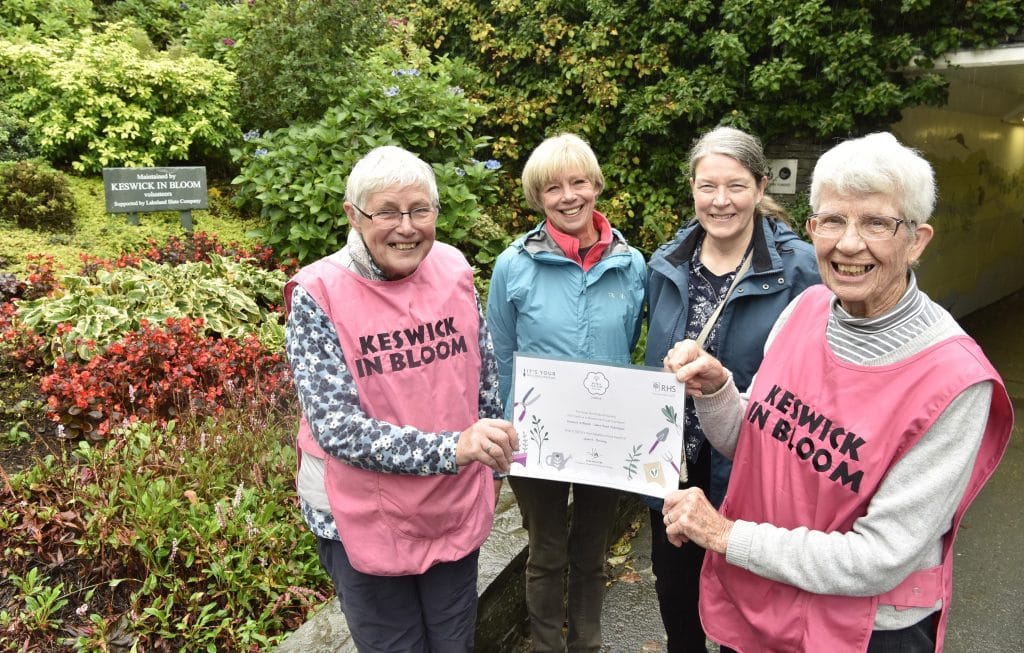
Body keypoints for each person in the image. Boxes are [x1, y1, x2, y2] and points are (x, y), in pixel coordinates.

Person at [661, 132, 1013, 652]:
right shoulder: (804, 310)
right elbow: (755, 445)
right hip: (764, 602)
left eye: (876, 223)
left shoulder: (954, 382)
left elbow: (878, 557)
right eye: (832, 220)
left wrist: (726, 536)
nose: (849, 244)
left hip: (865, 632)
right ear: (812, 229)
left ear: (917, 240)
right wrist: (717, 390)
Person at [283, 145, 519, 653]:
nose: (407, 227)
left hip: (451, 503)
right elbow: (337, 428)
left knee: (454, 641)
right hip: (362, 515)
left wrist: (494, 467)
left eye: (420, 210)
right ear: (353, 215)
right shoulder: (318, 294)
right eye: (387, 211)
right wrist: (454, 449)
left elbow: (485, 380)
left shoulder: (453, 269)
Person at [644, 126, 820, 652]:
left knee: (744, 615)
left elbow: (814, 378)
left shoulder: (800, 270)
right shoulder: (667, 263)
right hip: (674, 466)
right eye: (707, 186)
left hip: (750, 466)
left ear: (761, 187)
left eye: (736, 186)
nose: (720, 201)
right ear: (692, 189)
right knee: (677, 606)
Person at [486, 133, 646, 652]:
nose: (568, 195)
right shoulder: (514, 264)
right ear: (538, 198)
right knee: (547, 553)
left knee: (591, 553)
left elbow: (632, 348)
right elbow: (499, 356)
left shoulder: (631, 264)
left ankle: (588, 645)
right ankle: (547, 646)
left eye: (578, 181)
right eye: (552, 187)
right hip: (537, 435)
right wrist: (505, 439)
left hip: (605, 435)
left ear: (596, 185)